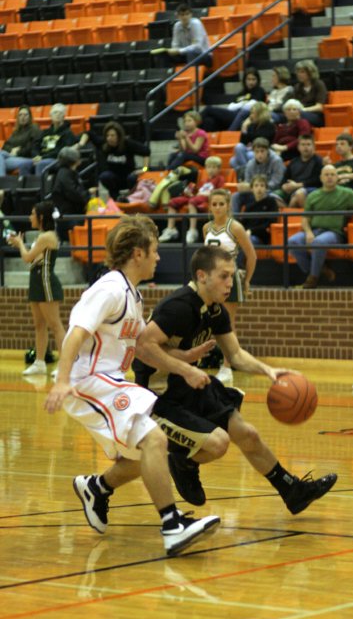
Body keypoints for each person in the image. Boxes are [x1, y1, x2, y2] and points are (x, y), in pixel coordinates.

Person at [44, 214, 221, 556]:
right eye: (154, 251)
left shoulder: (133, 296)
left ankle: (96, 488)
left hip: (109, 382)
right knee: (155, 439)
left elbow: (143, 348)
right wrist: (62, 381)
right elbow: (75, 333)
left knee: (144, 456)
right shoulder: (109, 289)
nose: (158, 257)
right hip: (89, 382)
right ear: (137, 254)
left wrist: (184, 361)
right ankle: (172, 526)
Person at [132, 245, 338, 513]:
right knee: (218, 444)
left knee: (248, 434)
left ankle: (293, 490)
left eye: (233, 276)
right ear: (202, 275)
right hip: (159, 395)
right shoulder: (179, 307)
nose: (231, 283)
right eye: (224, 276)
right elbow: (143, 347)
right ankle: (183, 461)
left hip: (189, 384)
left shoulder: (216, 310)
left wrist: (269, 371)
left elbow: (236, 354)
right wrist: (185, 365)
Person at [288, 164, 353, 289]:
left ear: (337, 177)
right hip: (314, 230)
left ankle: (312, 279)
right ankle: (319, 270)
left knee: (318, 242)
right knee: (292, 241)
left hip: (334, 232)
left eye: (332, 174)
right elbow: (305, 219)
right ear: (321, 178)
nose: (329, 177)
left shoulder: (346, 193)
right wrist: (308, 232)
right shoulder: (313, 196)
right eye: (326, 174)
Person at [203, 188, 257, 383]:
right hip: (210, 281)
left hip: (229, 279)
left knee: (227, 323)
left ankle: (227, 367)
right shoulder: (206, 228)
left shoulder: (235, 227)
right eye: (214, 204)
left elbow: (251, 255)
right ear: (210, 206)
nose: (217, 208)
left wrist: (247, 280)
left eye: (221, 204)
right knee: (209, 322)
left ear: (228, 206)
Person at [8, 201, 65, 378]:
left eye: (32, 214)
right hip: (36, 281)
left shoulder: (46, 236)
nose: (30, 217)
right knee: (39, 325)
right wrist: (21, 245)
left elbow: (27, 257)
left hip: (46, 282)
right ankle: (39, 363)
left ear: (40, 217)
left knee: (55, 325)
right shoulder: (41, 236)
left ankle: (65, 365)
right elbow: (34, 259)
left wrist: (19, 244)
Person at [159, 155, 225, 243]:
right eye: (209, 167)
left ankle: (192, 230)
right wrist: (189, 192)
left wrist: (205, 194)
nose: (211, 170)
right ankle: (171, 229)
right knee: (172, 202)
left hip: (208, 199)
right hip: (197, 197)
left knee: (192, 201)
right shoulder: (204, 180)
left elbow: (220, 193)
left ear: (219, 169)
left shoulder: (220, 179)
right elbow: (196, 191)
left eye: (214, 167)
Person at [79, 121, 150, 201]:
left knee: (133, 177)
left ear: (118, 136)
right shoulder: (104, 143)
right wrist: (81, 144)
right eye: (107, 135)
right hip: (113, 178)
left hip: (128, 177)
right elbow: (88, 133)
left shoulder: (127, 144)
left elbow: (146, 151)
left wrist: (144, 169)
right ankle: (116, 197)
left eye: (112, 135)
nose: (109, 138)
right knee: (104, 176)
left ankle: (132, 198)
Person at [200, 68, 266, 132]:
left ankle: (195, 122)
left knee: (208, 109)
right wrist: (242, 104)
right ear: (244, 80)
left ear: (257, 80)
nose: (251, 82)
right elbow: (230, 107)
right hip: (232, 115)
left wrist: (239, 104)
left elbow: (252, 104)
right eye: (248, 79)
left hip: (242, 117)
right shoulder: (242, 93)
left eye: (253, 79)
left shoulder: (259, 91)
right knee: (209, 121)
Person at [51, 146, 95, 242]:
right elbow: (74, 193)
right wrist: (87, 194)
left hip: (70, 215)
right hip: (70, 217)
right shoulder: (65, 174)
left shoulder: (67, 172)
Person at [229, 66, 294, 130]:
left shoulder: (289, 90)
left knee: (246, 112)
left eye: (274, 76)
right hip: (268, 112)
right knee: (247, 114)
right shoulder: (274, 91)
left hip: (279, 115)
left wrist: (266, 109)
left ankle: (229, 133)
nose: (272, 78)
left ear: (280, 77)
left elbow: (283, 107)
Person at [232, 137, 285, 214]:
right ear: (253, 152)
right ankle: (235, 222)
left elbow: (277, 182)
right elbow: (248, 181)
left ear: (268, 151)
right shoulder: (250, 164)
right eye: (257, 152)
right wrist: (246, 186)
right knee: (236, 196)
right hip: (255, 192)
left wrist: (261, 187)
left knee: (272, 197)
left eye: (262, 151)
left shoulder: (276, 161)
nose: (260, 154)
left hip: (271, 191)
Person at [230, 102, 276, 175]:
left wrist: (250, 134)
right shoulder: (251, 125)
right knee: (237, 148)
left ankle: (247, 174)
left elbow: (261, 140)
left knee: (242, 158)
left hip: (263, 151)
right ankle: (248, 172)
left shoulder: (269, 125)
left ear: (260, 114)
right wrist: (244, 128)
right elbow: (243, 142)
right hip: (251, 149)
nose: (250, 116)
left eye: (253, 113)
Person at [32, 103, 77, 176]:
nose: (58, 115)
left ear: (64, 116)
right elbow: (35, 145)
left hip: (56, 160)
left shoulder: (68, 133)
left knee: (40, 164)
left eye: (60, 113)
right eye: (55, 112)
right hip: (41, 158)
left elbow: (62, 151)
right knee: (24, 165)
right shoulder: (45, 132)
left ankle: (40, 186)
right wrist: (36, 156)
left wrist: (42, 157)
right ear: (51, 116)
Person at [279, 134, 323, 207]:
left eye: (308, 144)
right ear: (298, 147)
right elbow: (285, 179)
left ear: (314, 147)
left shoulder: (318, 161)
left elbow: (317, 181)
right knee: (272, 197)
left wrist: (297, 185)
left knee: (298, 195)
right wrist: (284, 186)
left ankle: (296, 216)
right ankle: (286, 211)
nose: (306, 147)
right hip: (292, 189)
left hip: (311, 189)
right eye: (303, 144)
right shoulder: (293, 162)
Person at [241, 175, 280, 246]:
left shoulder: (271, 202)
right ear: (251, 188)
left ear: (266, 188)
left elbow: (270, 222)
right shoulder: (248, 204)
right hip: (247, 234)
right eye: (256, 186)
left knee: (248, 241)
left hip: (261, 236)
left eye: (262, 186)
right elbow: (244, 222)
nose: (259, 188)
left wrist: (252, 231)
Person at [0, 106, 38, 177]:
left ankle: (2, 183)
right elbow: (5, 146)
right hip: (12, 157)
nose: (23, 117)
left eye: (25, 115)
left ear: (30, 116)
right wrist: (12, 150)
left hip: (27, 158)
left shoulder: (34, 128)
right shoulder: (16, 131)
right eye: (20, 115)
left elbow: (32, 147)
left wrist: (18, 152)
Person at [292, 60, 328, 127]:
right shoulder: (297, 87)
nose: (299, 74)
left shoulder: (319, 84)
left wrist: (303, 110)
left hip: (316, 115)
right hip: (300, 112)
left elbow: (319, 107)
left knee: (297, 114)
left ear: (310, 73)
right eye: (298, 72)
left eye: (302, 72)